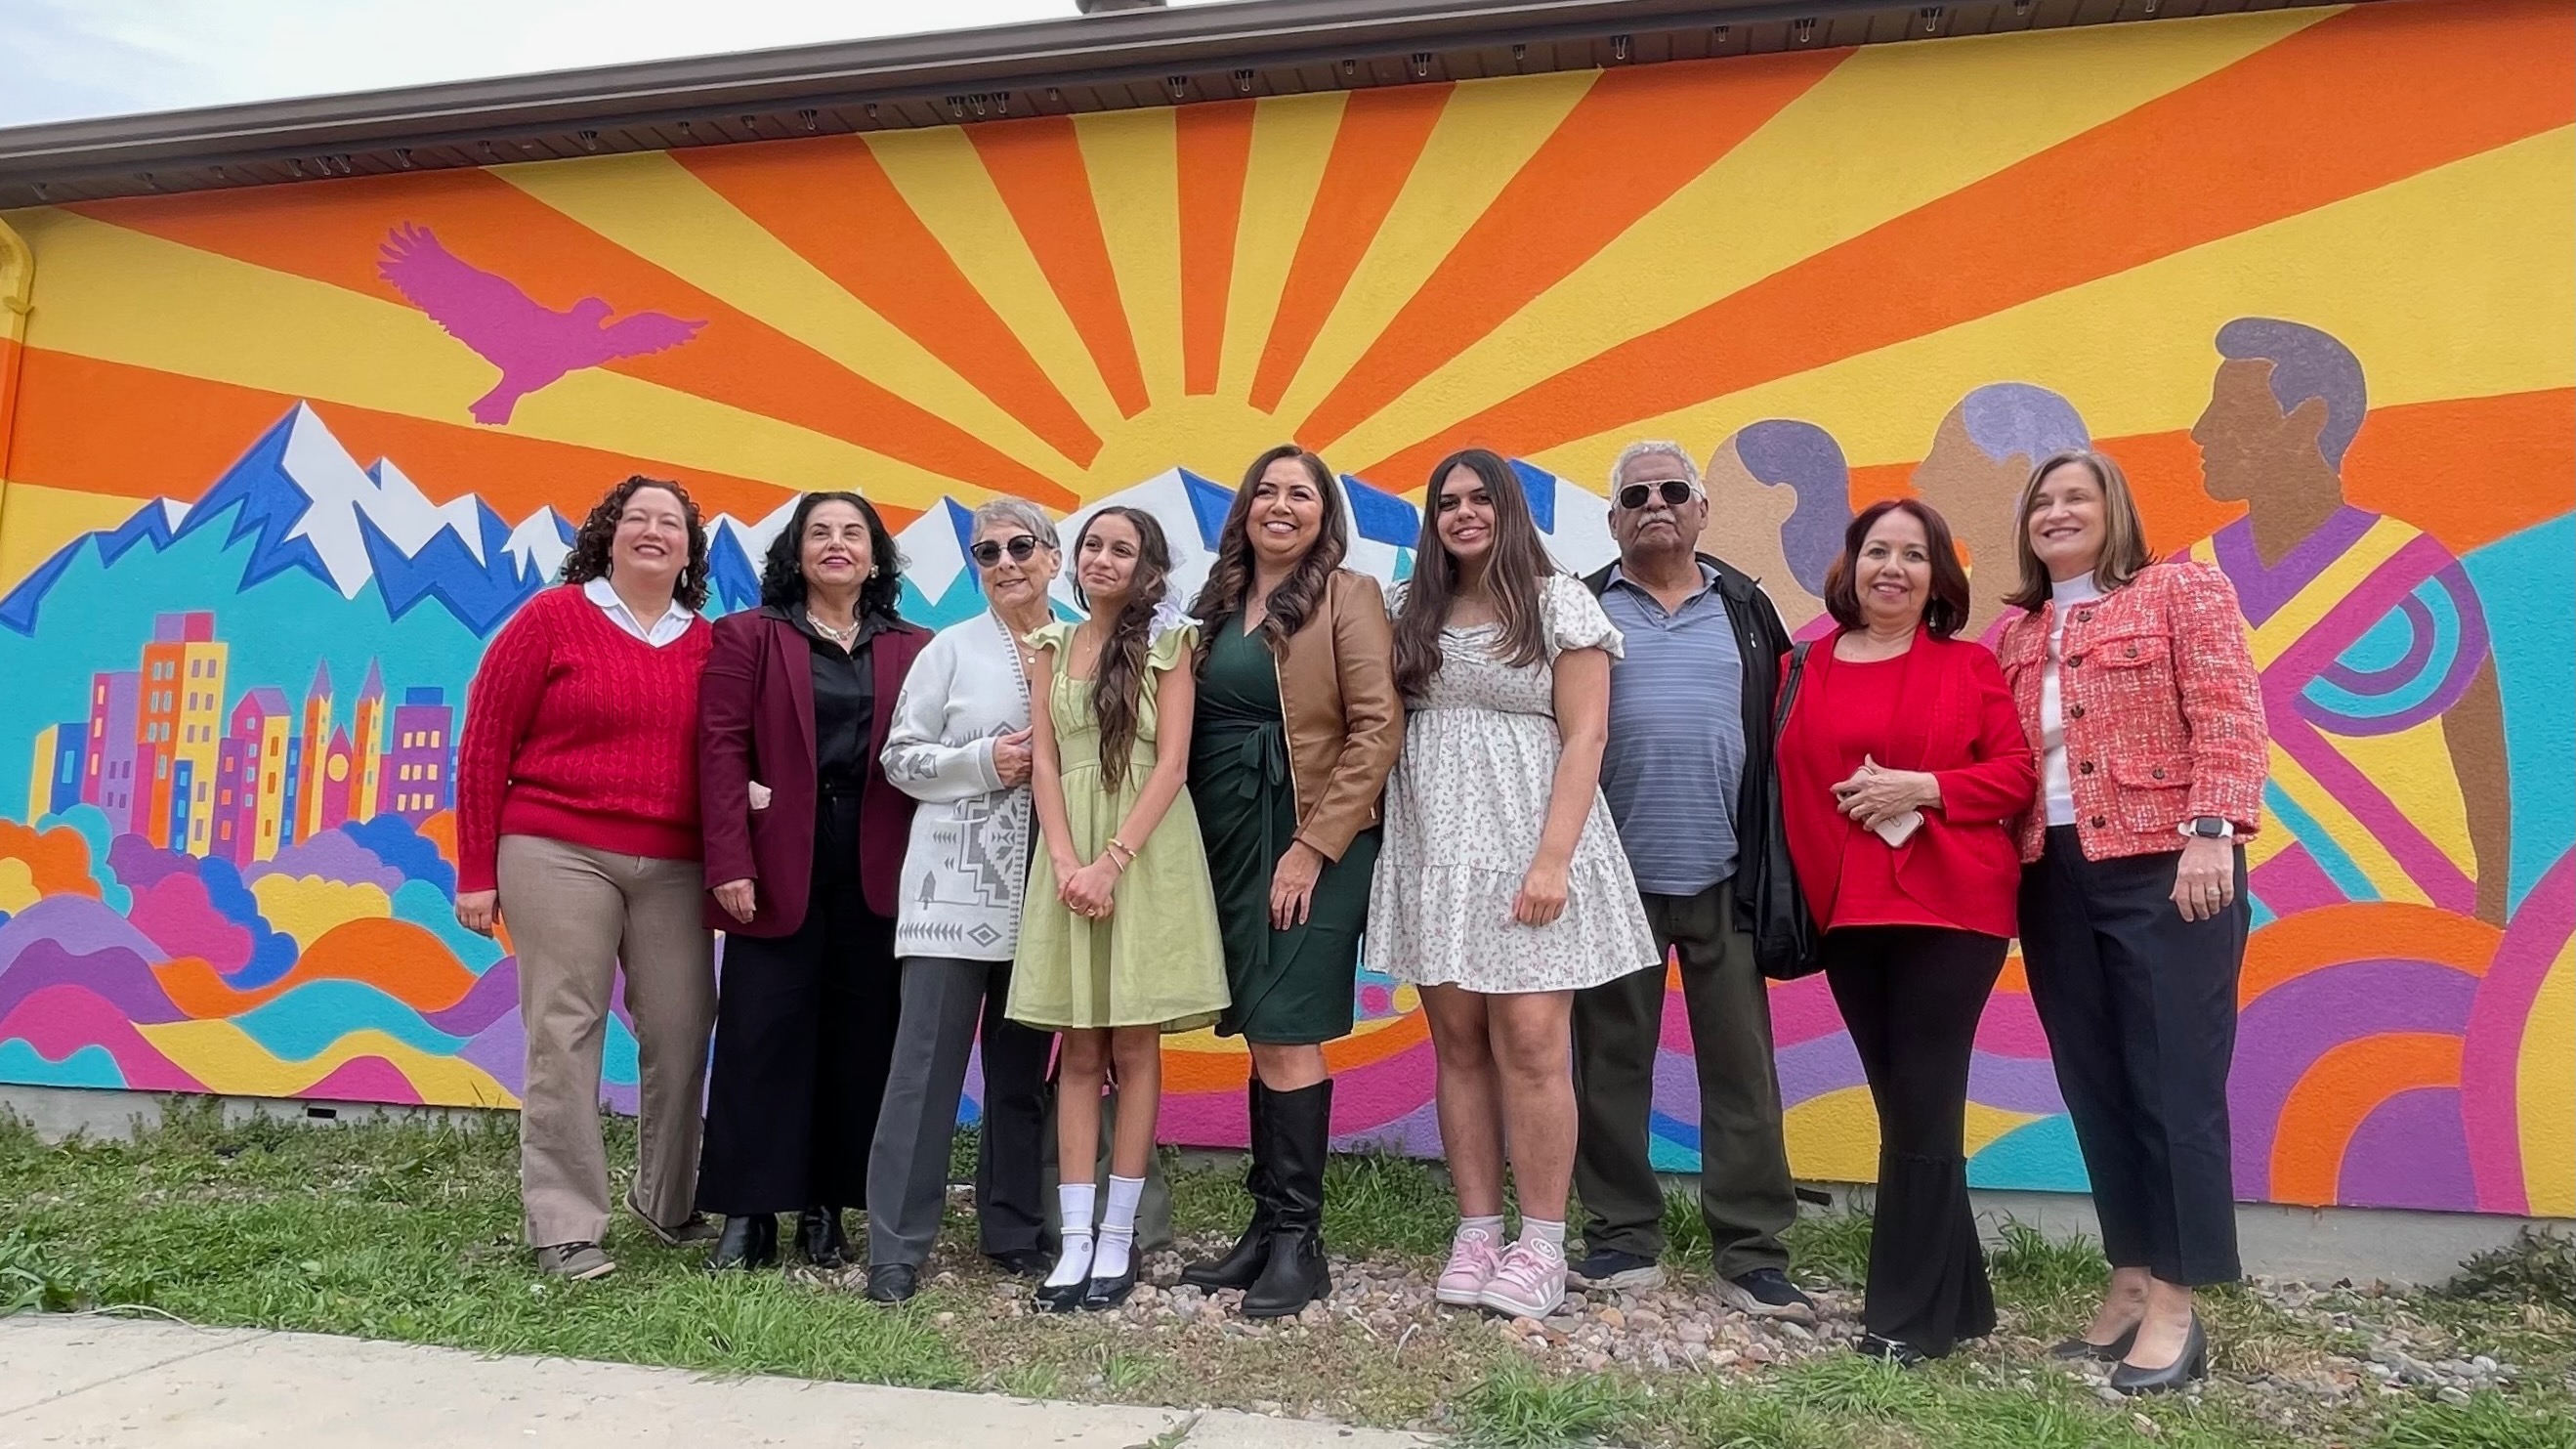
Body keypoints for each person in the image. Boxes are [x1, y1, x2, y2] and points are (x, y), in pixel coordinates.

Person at [1997, 449, 2267, 1395]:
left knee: (2174, 1083)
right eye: (2043, 500)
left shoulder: (2178, 590)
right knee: (2097, 1081)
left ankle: (2178, 1303)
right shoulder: (2016, 628)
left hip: (2166, 864)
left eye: (2076, 496)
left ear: (2113, 510)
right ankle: (2127, 1278)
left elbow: (2231, 712)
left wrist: (2212, 833)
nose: (2057, 511)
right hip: (2052, 874)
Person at [1371, 447, 1658, 1323]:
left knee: (1531, 1040)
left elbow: (1585, 737)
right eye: (1446, 501)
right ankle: (1475, 1229)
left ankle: (1540, 1242)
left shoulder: (1557, 601)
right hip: (1435, 849)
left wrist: (1551, 859)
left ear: (1507, 508)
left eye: (1478, 498)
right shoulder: (1406, 608)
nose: (1462, 512)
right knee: (1456, 1041)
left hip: (1529, 841)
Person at [1774, 499, 2037, 1364]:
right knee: (1903, 1105)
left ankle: (1902, 1320)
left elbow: (2012, 775)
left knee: (1923, 1101)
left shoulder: (1966, 666)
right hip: (1847, 914)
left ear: (1936, 578)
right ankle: (1958, 1300)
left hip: (1949, 911)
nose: (1892, 567)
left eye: (1912, 554)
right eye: (1875, 550)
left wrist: (1921, 787)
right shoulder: (1799, 667)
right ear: (1848, 568)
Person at [1572, 442, 1815, 1324]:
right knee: (1608, 1063)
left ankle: (1750, 1251)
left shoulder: (1747, 607)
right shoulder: (1582, 606)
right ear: (1613, 520)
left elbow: (1789, 730)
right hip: (1612, 878)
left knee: (1741, 1068)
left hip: (1728, 874)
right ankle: (1619, 1236)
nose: (1655, 504)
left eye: (1673, 490)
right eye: (1635, 494)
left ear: (1702, 509)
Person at [454, 475, 719, 1281]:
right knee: (564, 1027)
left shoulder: (709, 641)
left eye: (667, 522)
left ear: (687, 549)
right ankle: (566, 1224)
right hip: (554, 846)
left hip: (675, 861)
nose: (650, 530)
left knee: (682, 1026)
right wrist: (474, 871)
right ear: (607, 535)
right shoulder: (551, 617)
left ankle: (668, 1200)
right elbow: (485, 741)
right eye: (634, 517)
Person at [2185, 318, 2508, 925]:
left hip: (2403, 919)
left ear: (2305, 421)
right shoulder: (2187, 576)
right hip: (2220, 918)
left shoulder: (2413, 574)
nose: (2202, 430)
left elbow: (2481, 768)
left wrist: (2490, 922)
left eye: (2230, 410)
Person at [1180, 445, 1403, 1319]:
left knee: (1286, 1024)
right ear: (1244, 508)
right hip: (1229, 837)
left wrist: (1312, 846)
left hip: (1310, 838)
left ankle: (1300, 1244)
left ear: (1323, 514)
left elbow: (1376, 728)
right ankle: (1265, 1227)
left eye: (1299, 493)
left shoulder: (1348, 596)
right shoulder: (1214, 603)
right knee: (1259, 1033)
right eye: (1265, 490)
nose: (1280, 505)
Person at [696, 491, 928, 1271]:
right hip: (775, 860)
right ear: (795, 552)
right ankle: (748, 1210)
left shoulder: (914, 646)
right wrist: (729, 858)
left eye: (851, 532)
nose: (835, 544)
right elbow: (722, 749)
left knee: (860, 1038)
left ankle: (826, 1209)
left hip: (878, 863)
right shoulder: (749, 636)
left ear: (874, 554)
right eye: (818, 532)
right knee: (761, 1034)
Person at [1008, 506, 1229, 1312]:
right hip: (1068, 862)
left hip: (1141, 855)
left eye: (1121, 549)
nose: (1102, 559)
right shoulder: (1050, 648)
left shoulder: (1172, 647)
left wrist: (1112, 862)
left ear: (1147, 569)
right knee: (1077, 1049)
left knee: (1133, 1046)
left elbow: (1170, 764)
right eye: (1093, 546)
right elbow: (1042, 761)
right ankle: (1071, 1240)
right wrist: (1067, 860)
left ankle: (1116, 1236)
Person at [863, 498, 1065, 1303]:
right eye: (986, 551)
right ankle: (896, 1245)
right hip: (953, 891)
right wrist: (986, 760)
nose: (1005, 561)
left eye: (1021, 545)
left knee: (1023, 1073)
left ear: (1053, 556)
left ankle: (1013, 1228)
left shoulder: (1083, 646)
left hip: (1051, 894)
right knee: (923, 1072)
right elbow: (900, 759)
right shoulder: (949, 651)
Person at [1908, 383, 2093, 640]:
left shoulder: (2056, 628)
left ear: (2014, 473)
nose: (1919, 476)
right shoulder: (1937, 614)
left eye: (1947, 459)